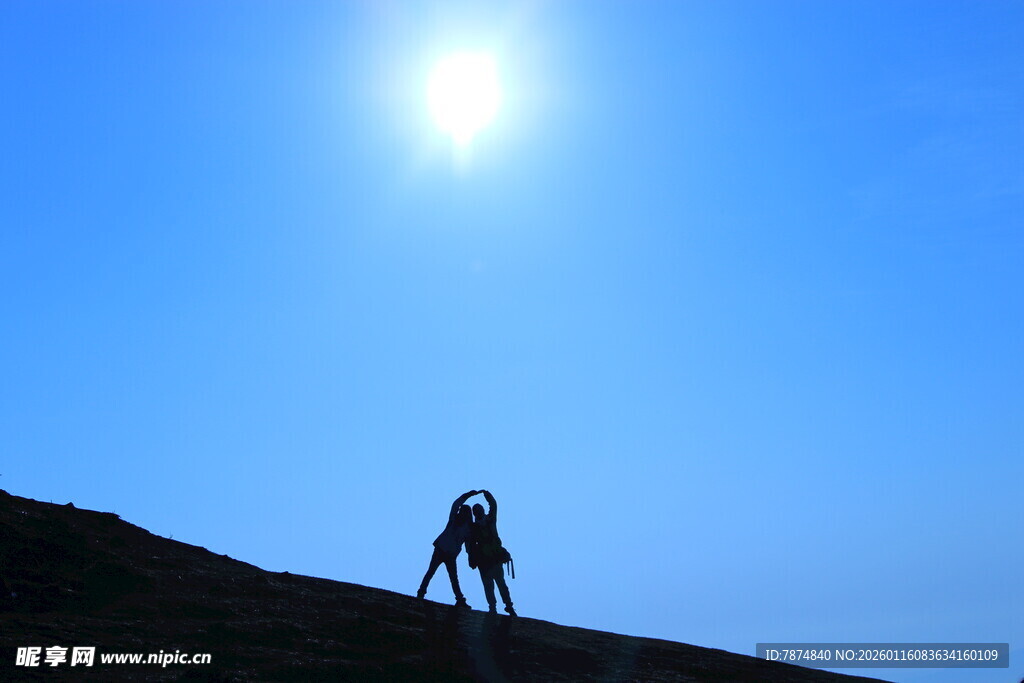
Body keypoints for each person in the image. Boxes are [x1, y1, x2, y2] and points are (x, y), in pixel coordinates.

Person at [417, 489, 478, 607]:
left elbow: (468, 546)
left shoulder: (463, 526)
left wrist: (471, 557)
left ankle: (459, 599)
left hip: (447, 552)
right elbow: (456, 504)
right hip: (443, 550)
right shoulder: (456, 521)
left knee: (449, 577)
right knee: (435, 573)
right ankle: (422, 592)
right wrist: (468, 495)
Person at [468, 490, 515, 616]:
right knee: (494, 585)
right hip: (487, 560)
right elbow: (471, 546)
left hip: (492, 559)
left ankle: (505, 606)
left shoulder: (483, 523)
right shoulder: (484, 524)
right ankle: (499, 607)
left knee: (498, 585)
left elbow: (493, 505)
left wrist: (487, 494)